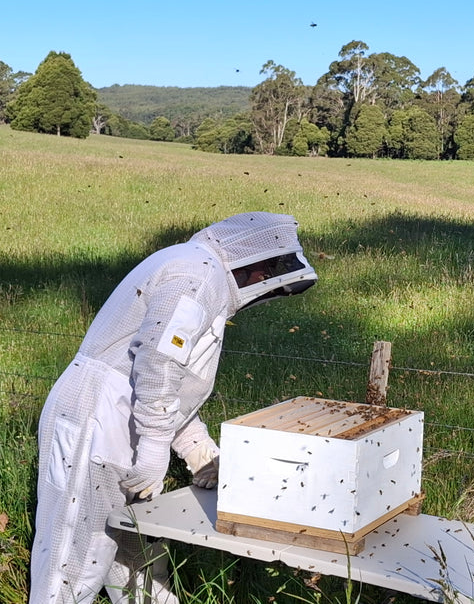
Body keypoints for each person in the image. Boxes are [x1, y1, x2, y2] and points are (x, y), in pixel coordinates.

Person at [31, 212, 319, 604]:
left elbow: (169, 385)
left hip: (125, 422)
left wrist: (197, 450)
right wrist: (153, 447)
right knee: (74, 563)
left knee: (141, 562)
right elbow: (157, 363)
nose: (261, 288)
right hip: (95, 423)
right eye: (268, 273)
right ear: (257, 266)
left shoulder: (201, 273)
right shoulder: (197, 276)